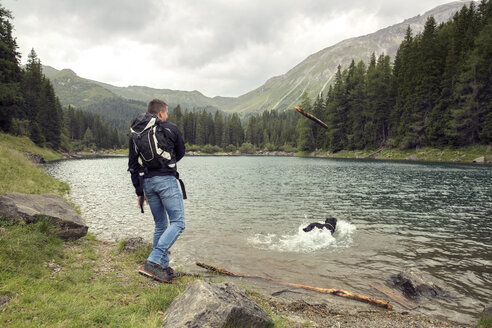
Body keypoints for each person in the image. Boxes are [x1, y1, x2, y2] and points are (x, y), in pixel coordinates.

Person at [128, 99, 186, 283]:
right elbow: (181, 152)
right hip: (166, 181)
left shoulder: (135, 132)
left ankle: (162, 267)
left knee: (161, 225)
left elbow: (132, 165)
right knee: (178, 222)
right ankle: (153, 261)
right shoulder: (170, 128)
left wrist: (139, 192)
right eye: (166, 113)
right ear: (161, 113)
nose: (166, 116)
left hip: (148, 183)